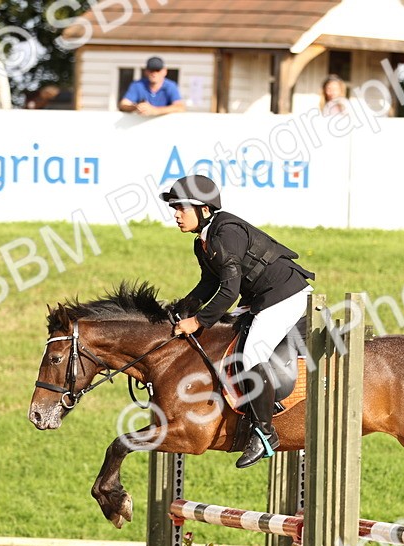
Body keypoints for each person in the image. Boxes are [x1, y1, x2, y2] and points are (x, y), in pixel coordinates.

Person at [161, 175, 315, 468]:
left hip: (285, 295)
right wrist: (184, 308)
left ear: (204, 210)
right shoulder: (203, 242)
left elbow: (229, 291)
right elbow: (209, 283)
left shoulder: (225, 233)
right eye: (174, 208)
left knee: (252, 353)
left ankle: (265, 432)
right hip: (262, 298)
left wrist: (199, 322)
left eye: (181, 208)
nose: (176, 215)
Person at [120, 57, 185, 116]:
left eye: (157, 70)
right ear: (146, 71)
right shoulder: (137, 85)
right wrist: (137, 107)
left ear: (165, 71)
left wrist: (155, 111)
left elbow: (180, 107)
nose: (154, 73)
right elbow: (123, 105)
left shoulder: (170, 86)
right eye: (151, 70)